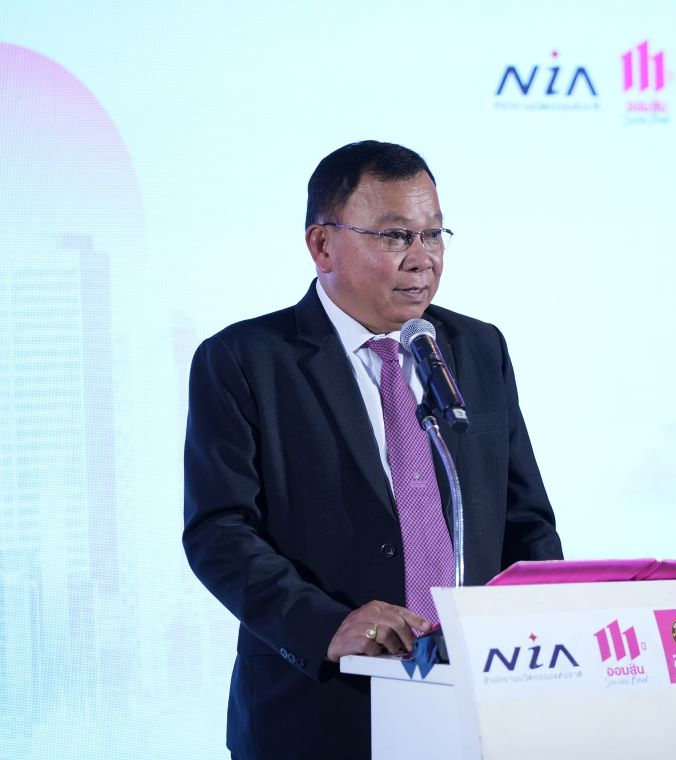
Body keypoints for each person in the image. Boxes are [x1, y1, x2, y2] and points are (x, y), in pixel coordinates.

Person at [183, 140, 563, 759]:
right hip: (318, 712)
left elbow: (525, 521)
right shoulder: (244, 361)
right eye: (395, 237)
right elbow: (219, 532)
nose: (423, 260)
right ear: (322, 245)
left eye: (434, 235)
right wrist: (325, 624)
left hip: (476, 707)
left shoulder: (477, 348)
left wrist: (547, 639)